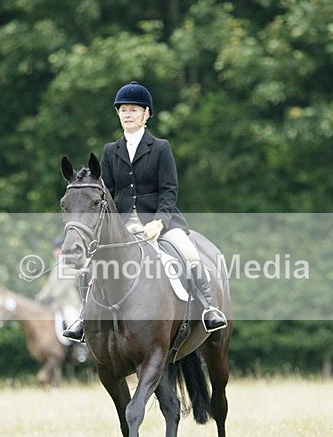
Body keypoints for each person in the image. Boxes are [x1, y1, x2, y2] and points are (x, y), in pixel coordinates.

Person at [63, 81, 227, 341]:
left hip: (160, 222)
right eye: (123, 110)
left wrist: (159, 222)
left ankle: (208, 308)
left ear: (146, 114)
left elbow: (169, 190)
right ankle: (84, 317)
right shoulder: (110, 150)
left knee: (188, 251)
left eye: (134, 110)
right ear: (118, 114)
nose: (128, 115)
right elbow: (107, 192)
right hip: (123, 224)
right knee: (91, 265)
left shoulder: (160, 147)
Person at [37, 236, 88, 361]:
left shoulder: (70, 264)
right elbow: (49, 285)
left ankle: (81, 349)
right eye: (55, 250)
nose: (56, 252)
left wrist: (52, 295)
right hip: (57, 304)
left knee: (72, 322)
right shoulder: (56, 266)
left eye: (59, 249)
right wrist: (40, 298)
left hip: (69, 303)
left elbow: (67, 284)